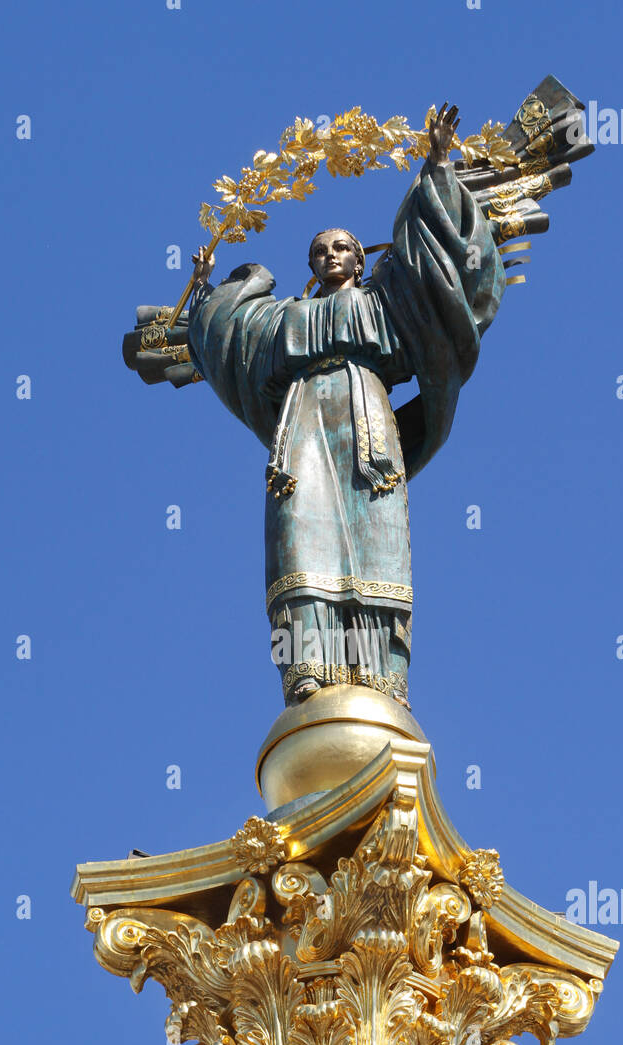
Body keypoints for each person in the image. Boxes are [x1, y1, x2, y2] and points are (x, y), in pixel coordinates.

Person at [185, 104, 505, 707]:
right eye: (319, 251)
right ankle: (307, 668)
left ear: (361, 260)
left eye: (341, 248)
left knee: (375, 533)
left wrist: (436, 166)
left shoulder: (386, 302)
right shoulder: (287, 319)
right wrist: (205, 293)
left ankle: (385, 672)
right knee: (302, 536)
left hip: (367, 419)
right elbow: (229, 337)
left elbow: (431, 254)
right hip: (302, 422)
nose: (329, 255)